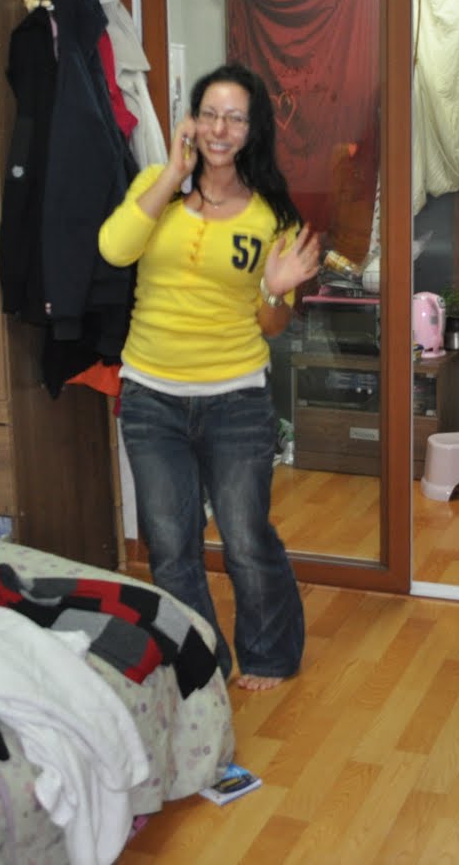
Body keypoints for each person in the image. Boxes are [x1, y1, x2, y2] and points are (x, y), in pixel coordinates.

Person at [98, 63, 319, 692]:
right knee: (171, 546)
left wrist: (275, 291)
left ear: (253, 131)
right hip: (151, 398)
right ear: (191, 122)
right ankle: (203, 663)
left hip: (235, 399)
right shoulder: (155, 186)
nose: (220, 129)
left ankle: (269, 653)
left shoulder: (271, 216)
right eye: (210, 114)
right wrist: (173, 174)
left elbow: (272, 325)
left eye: (235, 118)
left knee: (246, 537)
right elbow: (114, 248)